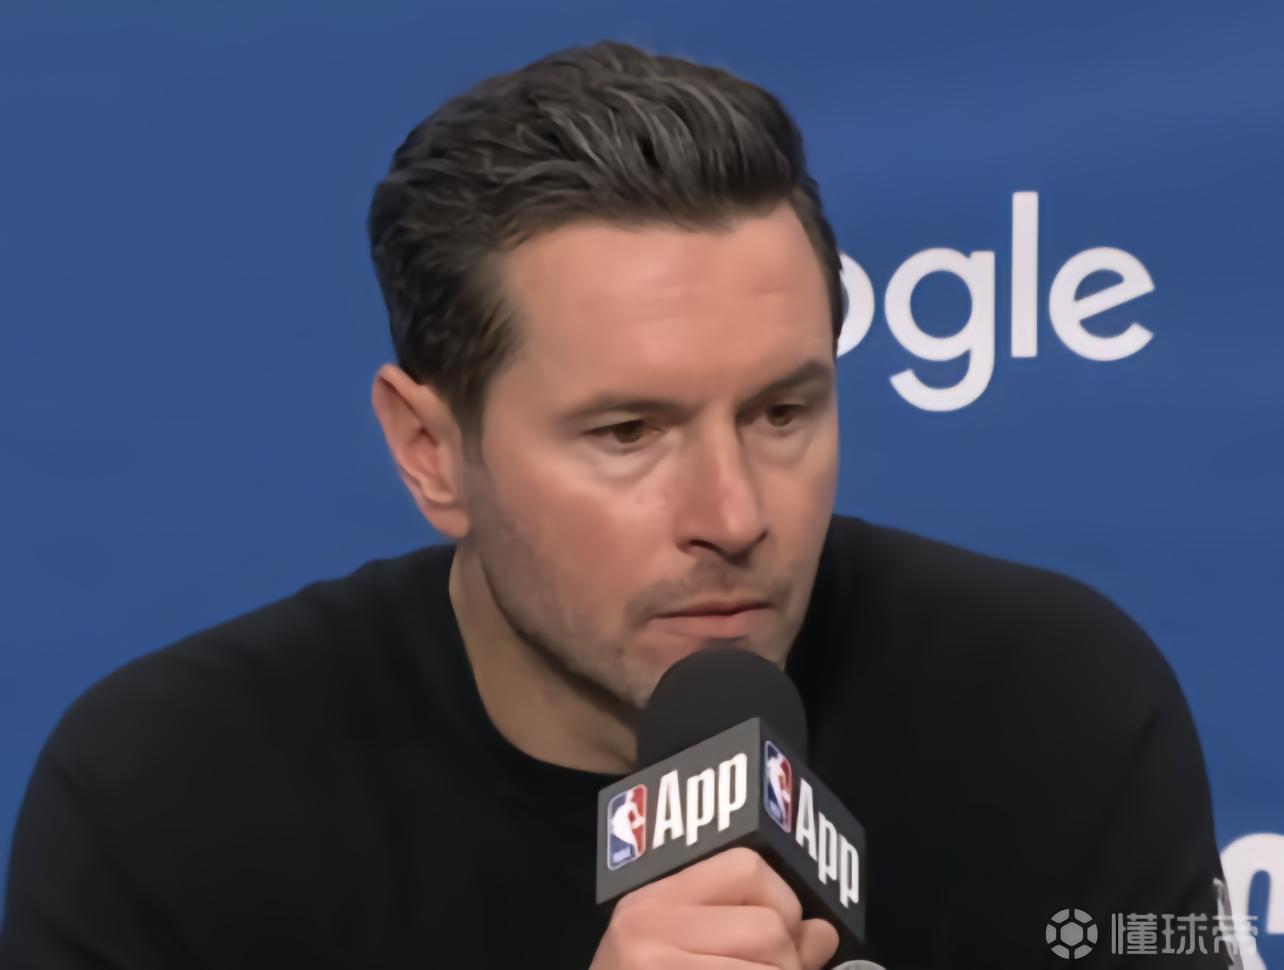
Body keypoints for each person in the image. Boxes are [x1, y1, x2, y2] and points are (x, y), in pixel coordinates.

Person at [0, 40, 1238, 970]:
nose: (733, 515)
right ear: (432, 452)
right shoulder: (168, 798)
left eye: (782, 412)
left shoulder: (1051, 707)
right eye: (628, 433)